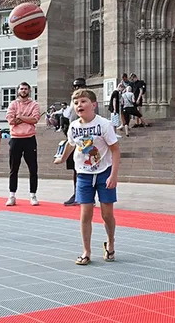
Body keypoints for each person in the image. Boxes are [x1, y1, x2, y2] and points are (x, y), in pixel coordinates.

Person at [54, 89, 120, 265]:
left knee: (107, 214)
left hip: (104, 172)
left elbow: (115, 150)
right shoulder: (74, 126)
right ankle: (86, 251)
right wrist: (62, 157)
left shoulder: (104, 125)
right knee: (85, 215)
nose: (79, 105)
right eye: (76, 103)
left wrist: (113, 175)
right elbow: (71, 143)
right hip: (83, 174)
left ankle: (111, 242)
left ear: (93, 105)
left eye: (83, 102)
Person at [5, 82, 41, 206]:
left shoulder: (34, 104)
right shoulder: (13, 104)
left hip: (29, 138)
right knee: (13, 168)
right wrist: (26, 118)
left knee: (33, 168)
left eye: (26, 89)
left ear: (29, 91)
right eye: (21, 89)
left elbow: (35, 119)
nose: (23, 91)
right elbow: (11, 120)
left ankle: (33, 195)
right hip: (15, 138)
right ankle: (12, 195)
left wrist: (20, 116)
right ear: (18, 90)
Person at [64, 77, 88, 206]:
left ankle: (83, 195)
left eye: (80, 86)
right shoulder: (73, 102)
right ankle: (77, 194)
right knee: (76, 168)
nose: (78, 89)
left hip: (87, 138)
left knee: (86, 168)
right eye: (75, 87)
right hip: (75, 138)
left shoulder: (89, 101)